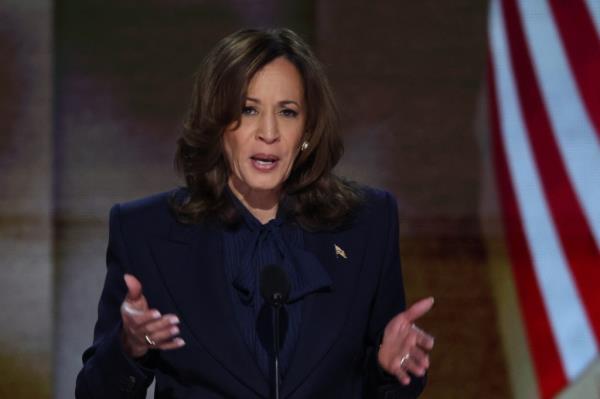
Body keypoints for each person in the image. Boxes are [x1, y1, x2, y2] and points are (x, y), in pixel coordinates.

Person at [75, 28, 435, 399]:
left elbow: (388, 382)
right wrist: (131, 346)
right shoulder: (147, 232)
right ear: (218, 124)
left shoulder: (366, 223)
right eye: (248, 110)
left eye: (288, 112)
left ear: (308, 130)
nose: (269, 132)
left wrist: (389, 368)